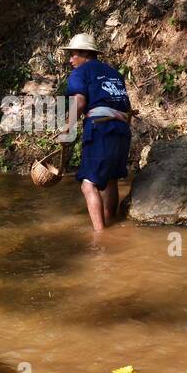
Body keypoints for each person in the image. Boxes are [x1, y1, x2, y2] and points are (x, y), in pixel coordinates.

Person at [56, 33, 133, 232]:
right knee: (110, 179)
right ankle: (112, 223)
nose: (71, 60)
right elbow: (127, 107)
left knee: (88, 184)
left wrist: (66, 129)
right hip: (122, 129)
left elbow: (79, 102)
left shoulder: (80, 73)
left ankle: (101, 235)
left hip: (100, 129)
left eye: (73, 55)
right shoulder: (114, 73)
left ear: (85, 54)